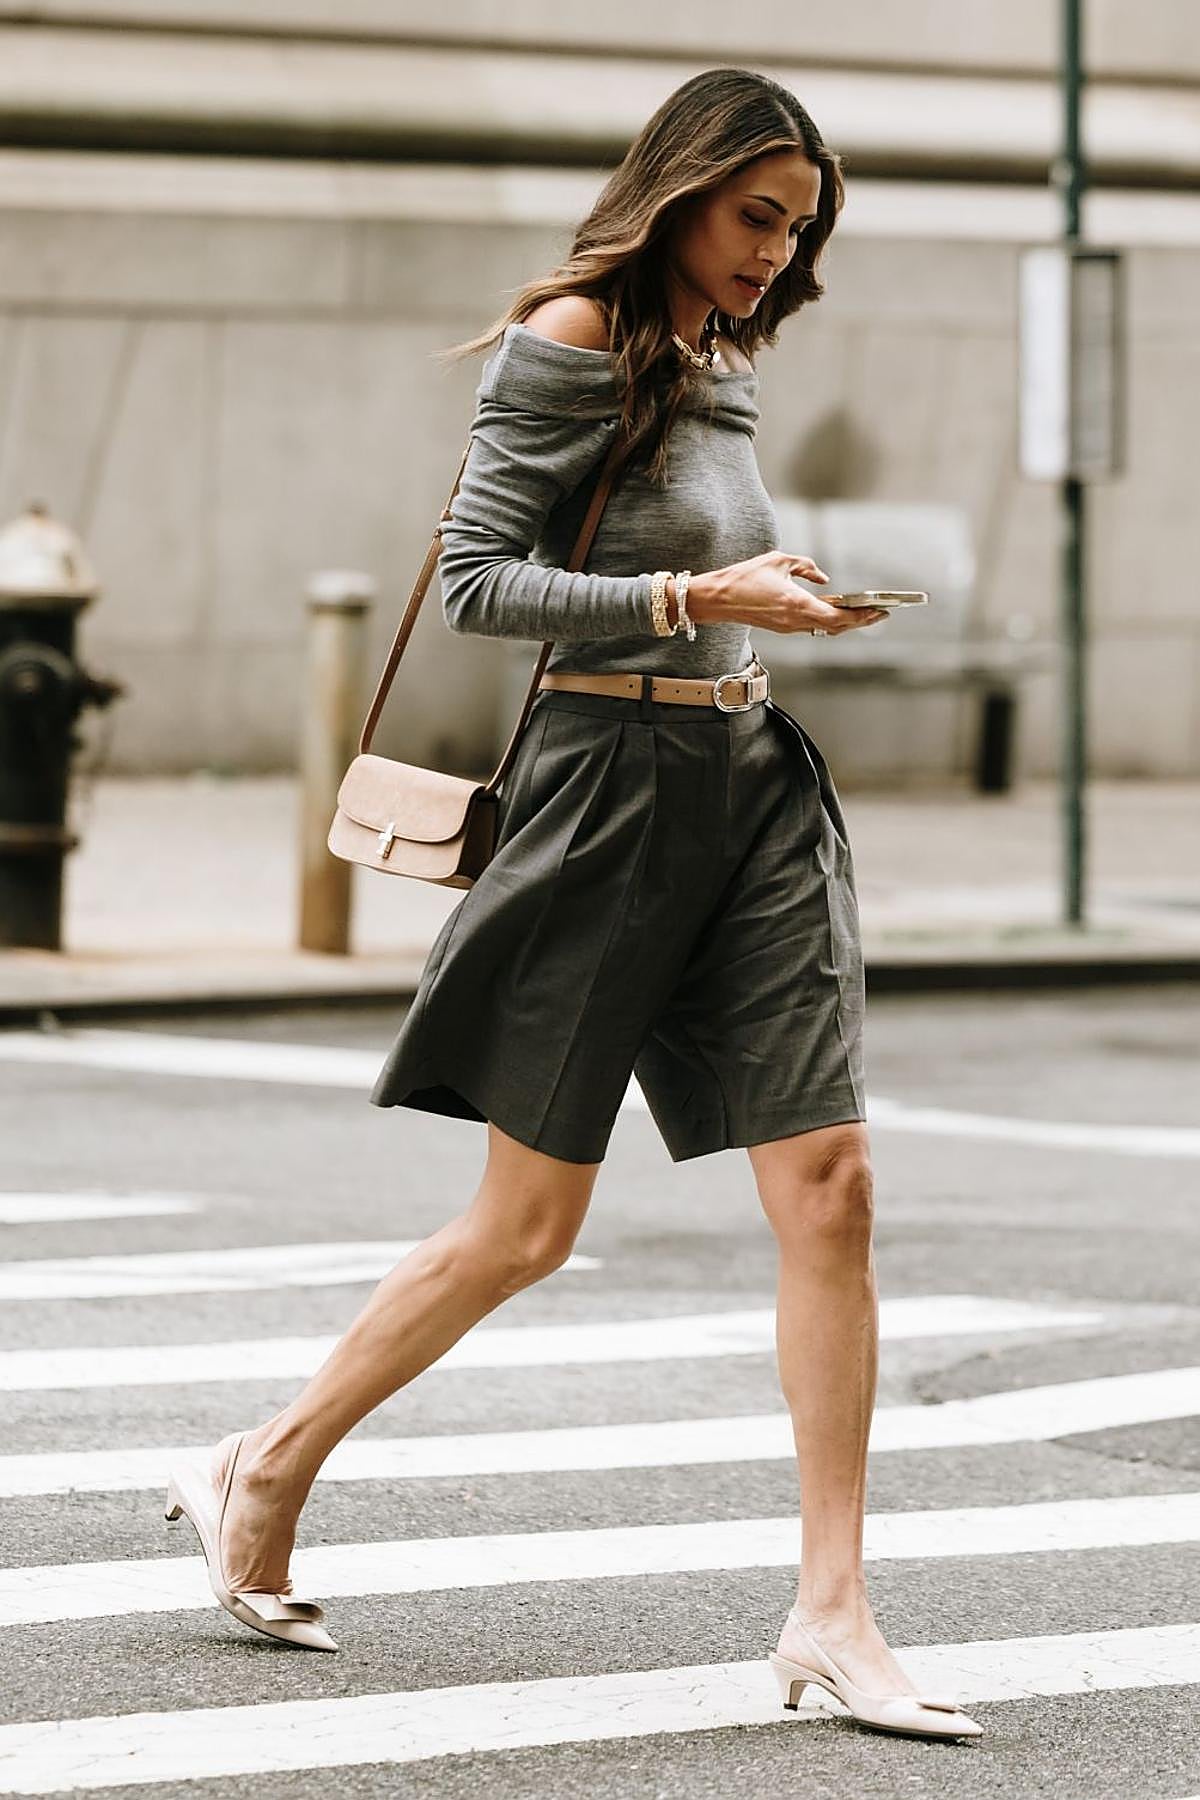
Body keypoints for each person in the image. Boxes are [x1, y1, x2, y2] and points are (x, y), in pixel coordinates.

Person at [165, 67, 983, 1744]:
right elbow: (477, 583)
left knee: (830, 1186)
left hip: (750, 788)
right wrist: (696, 589)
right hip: (606, 804)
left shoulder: (724, 354)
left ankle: (833, 1610)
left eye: (797, 230)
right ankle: (265, 1459)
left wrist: (771, 607)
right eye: (756, 217)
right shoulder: (570, 337)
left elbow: (706, 571)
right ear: (680, 190)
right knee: (527, 1228)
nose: (773, 253)